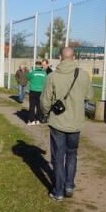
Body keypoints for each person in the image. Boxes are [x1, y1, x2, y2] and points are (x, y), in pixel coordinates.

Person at [42, 47, 93, 201]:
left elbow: (45, 101)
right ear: (74, 57)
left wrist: (46, 115)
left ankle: (58, 191)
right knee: (72, 154)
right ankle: (69, 185)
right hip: (75, 123)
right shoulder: (83, 75)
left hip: (57, 122)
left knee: (58, 157)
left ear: (60, 57)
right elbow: (89, 95)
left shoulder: (52, 76)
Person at [25, 61, 47, 125]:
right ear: (41, 66)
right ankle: (38, 119)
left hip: (33, 90)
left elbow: (27, 77)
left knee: (32, 105)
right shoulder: (44, 73)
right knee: (39, 106)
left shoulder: (33, 72)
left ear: (36, 65)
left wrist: (29, 71)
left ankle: (32, 120)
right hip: (41, 91)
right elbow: (46, 81)